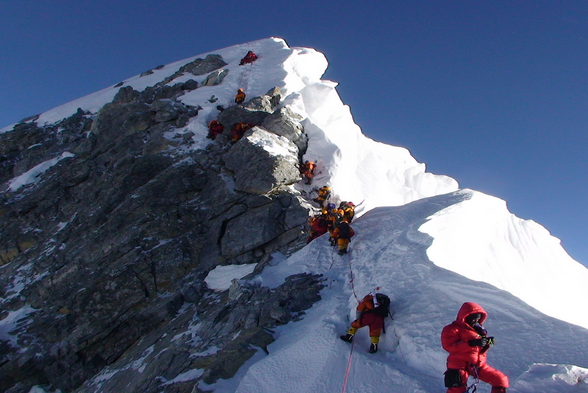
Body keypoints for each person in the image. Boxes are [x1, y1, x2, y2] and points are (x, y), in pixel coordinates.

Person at [441, 302, 509, 393]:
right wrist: (471, 343)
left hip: (476, 364)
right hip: (458, 364)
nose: (476, 321)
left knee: (500, 379)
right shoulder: (452, 328)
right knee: (457, 390)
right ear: (466, 316)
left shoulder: (478, 330)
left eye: (478, 319)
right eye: (474, 319)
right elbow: (448, 346)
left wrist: (486, 343)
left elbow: (477, 350)